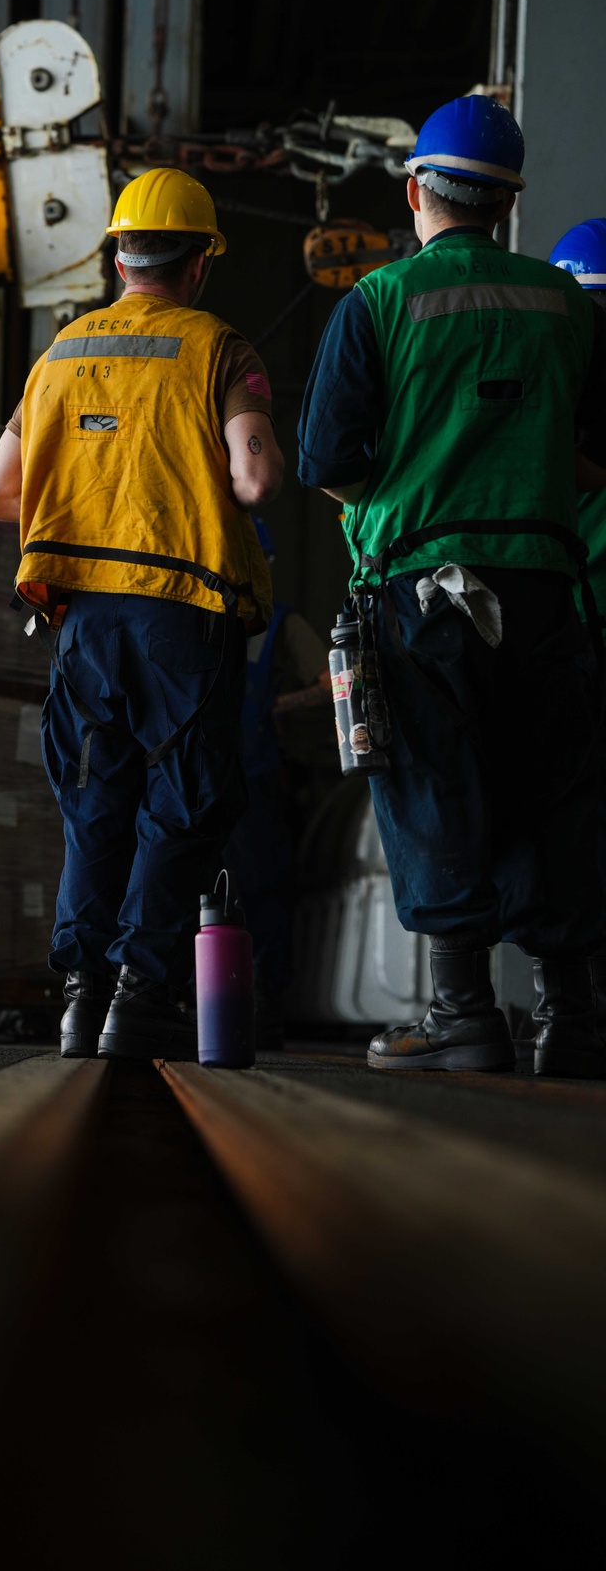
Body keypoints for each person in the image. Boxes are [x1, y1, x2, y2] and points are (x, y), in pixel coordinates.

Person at [298, 94, 606, 1079]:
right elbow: (598, 454)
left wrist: (412, 487)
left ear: (415, 189)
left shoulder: (378, 302)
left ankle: (460, 1011)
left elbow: (324, 457)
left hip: (420, 591)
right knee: (549, 792)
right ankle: (570, 1018)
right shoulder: (565, 306)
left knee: (435, 785)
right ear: (507, 206)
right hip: (545, 588)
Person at [0, 167, 284, 1059]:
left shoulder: (60, 355)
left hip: (85, 627)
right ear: (199, 264)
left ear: (118, 257)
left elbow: (5, 494)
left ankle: (81, 999)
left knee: (95, 805)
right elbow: (257, 477)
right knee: (183, 807)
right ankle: (143, 994)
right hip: (184, 618)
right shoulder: (222, 349)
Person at [223, 518, 331, 1047]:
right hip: (200, 779)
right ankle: (185, 1001)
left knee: (263, 894)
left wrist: (276, 706)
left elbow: (332, 684)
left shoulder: (280, 624)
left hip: (259, 780)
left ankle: (264, 1007)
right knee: (192, 890)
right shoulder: (202, 615)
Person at [549, 218, 606, 1022]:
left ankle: (571, 1009)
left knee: (560, 822)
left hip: (561, 629)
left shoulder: (546, 390)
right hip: (569, 626)